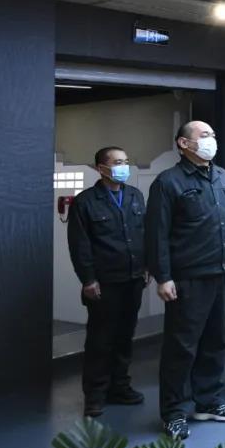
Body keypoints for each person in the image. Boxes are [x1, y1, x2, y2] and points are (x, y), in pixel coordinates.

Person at [146, 121, 225, 440]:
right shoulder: (168, 182)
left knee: (216, 342)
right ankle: (173, 412)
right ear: (183, 144)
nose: (211, 140)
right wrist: (163, 276)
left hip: (222, 272)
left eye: (213, 135)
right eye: (204, 136)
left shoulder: (224, 177)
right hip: (188, 277)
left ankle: (207, 402)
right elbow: (157, 233)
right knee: (182, 347)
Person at [66, 147, 148, 418]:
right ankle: (95, 395)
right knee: (101, 340)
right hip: (104, 282)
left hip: (133, 278)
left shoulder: (134, 195)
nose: (124, 167)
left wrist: (148, 266)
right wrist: (88, 279)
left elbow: (144, 233)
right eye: (117, 162)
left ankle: (120, 387)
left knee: (125, 336)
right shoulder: (86, 202)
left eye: (126, 161)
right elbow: (80, 245)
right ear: (101, 168)